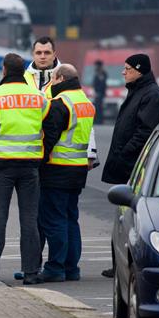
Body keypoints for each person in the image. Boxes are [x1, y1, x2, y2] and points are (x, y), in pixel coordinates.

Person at [0, 53, 48, 285]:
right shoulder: (40, 97)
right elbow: (49, 128)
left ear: (3, 70)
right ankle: (32, 273)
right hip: (30, 165)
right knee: (29, 220)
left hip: (2, 165)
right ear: (23, 70)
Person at [100, 53, 159, 278]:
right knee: (122, 216)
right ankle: (119, 263)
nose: (123, 72)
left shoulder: (151, 95)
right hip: (127, 164)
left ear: (139, 70)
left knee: (131, 218)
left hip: (134, 166)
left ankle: (127, 263)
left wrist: (125, 151)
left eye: (127, 68)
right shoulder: (138, 91)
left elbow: (145, 131)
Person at [37, 64, 95, 282]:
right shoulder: (85, 102)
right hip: (78, 169)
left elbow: (49, 137)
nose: (51, 83)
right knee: (71, 218)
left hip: (57, 169)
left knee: (54, 220)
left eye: (52, 79)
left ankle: (55, 267)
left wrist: (39, 161)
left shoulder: (61, 104)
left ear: (60, 78)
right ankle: (71, 267)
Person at [92, 60, 107, 125]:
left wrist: (99, 92)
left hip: (100, 94)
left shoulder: (103, 73)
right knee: (96, 107)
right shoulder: (97, 73)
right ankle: (96, 120)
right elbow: (94, 83)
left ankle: (100, 121)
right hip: (96, 93)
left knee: (99, 107)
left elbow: (103, 84)